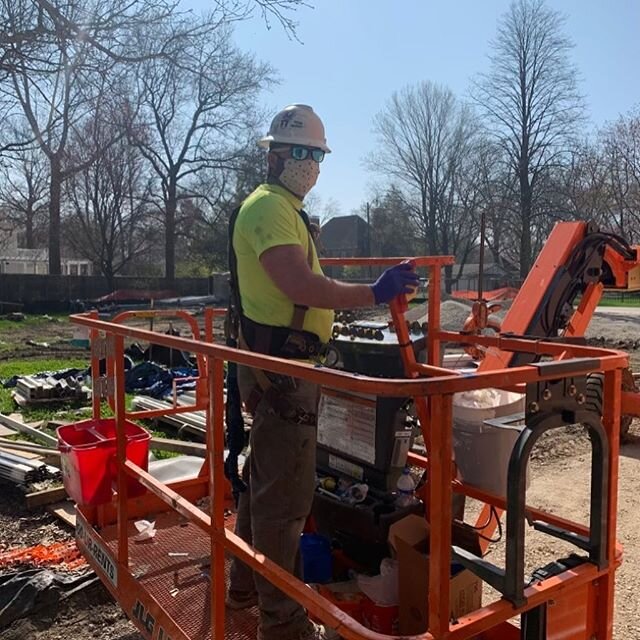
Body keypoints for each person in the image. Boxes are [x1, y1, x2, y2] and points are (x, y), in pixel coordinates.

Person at [226, 104, 418, 640]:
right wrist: (374, 293)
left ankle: (243, 589)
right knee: (284, 506)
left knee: (263, 486)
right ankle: (282, 623)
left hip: (279, 368)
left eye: (319, 156)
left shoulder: (283, 209)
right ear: (278, 155)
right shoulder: (268, 209)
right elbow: (301, 286)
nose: (314, 165)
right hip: (283, 373)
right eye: (306, 154)